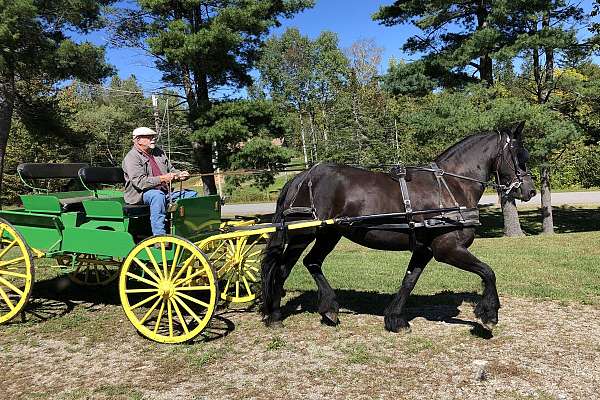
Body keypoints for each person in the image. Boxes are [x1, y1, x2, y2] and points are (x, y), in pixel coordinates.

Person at [122, 126, 197, 236]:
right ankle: (159, 237)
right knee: (157, 196)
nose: (153, 139)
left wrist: (179, 174)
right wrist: (163, 178)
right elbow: (140, 182)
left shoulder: (159, 152)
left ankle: (186, 230)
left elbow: (171, 170)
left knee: (191, 195)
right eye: (149, 137)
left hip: (165, 192)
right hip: (140, 195)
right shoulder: (131, 157)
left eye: (153, 137)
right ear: (138, 140)